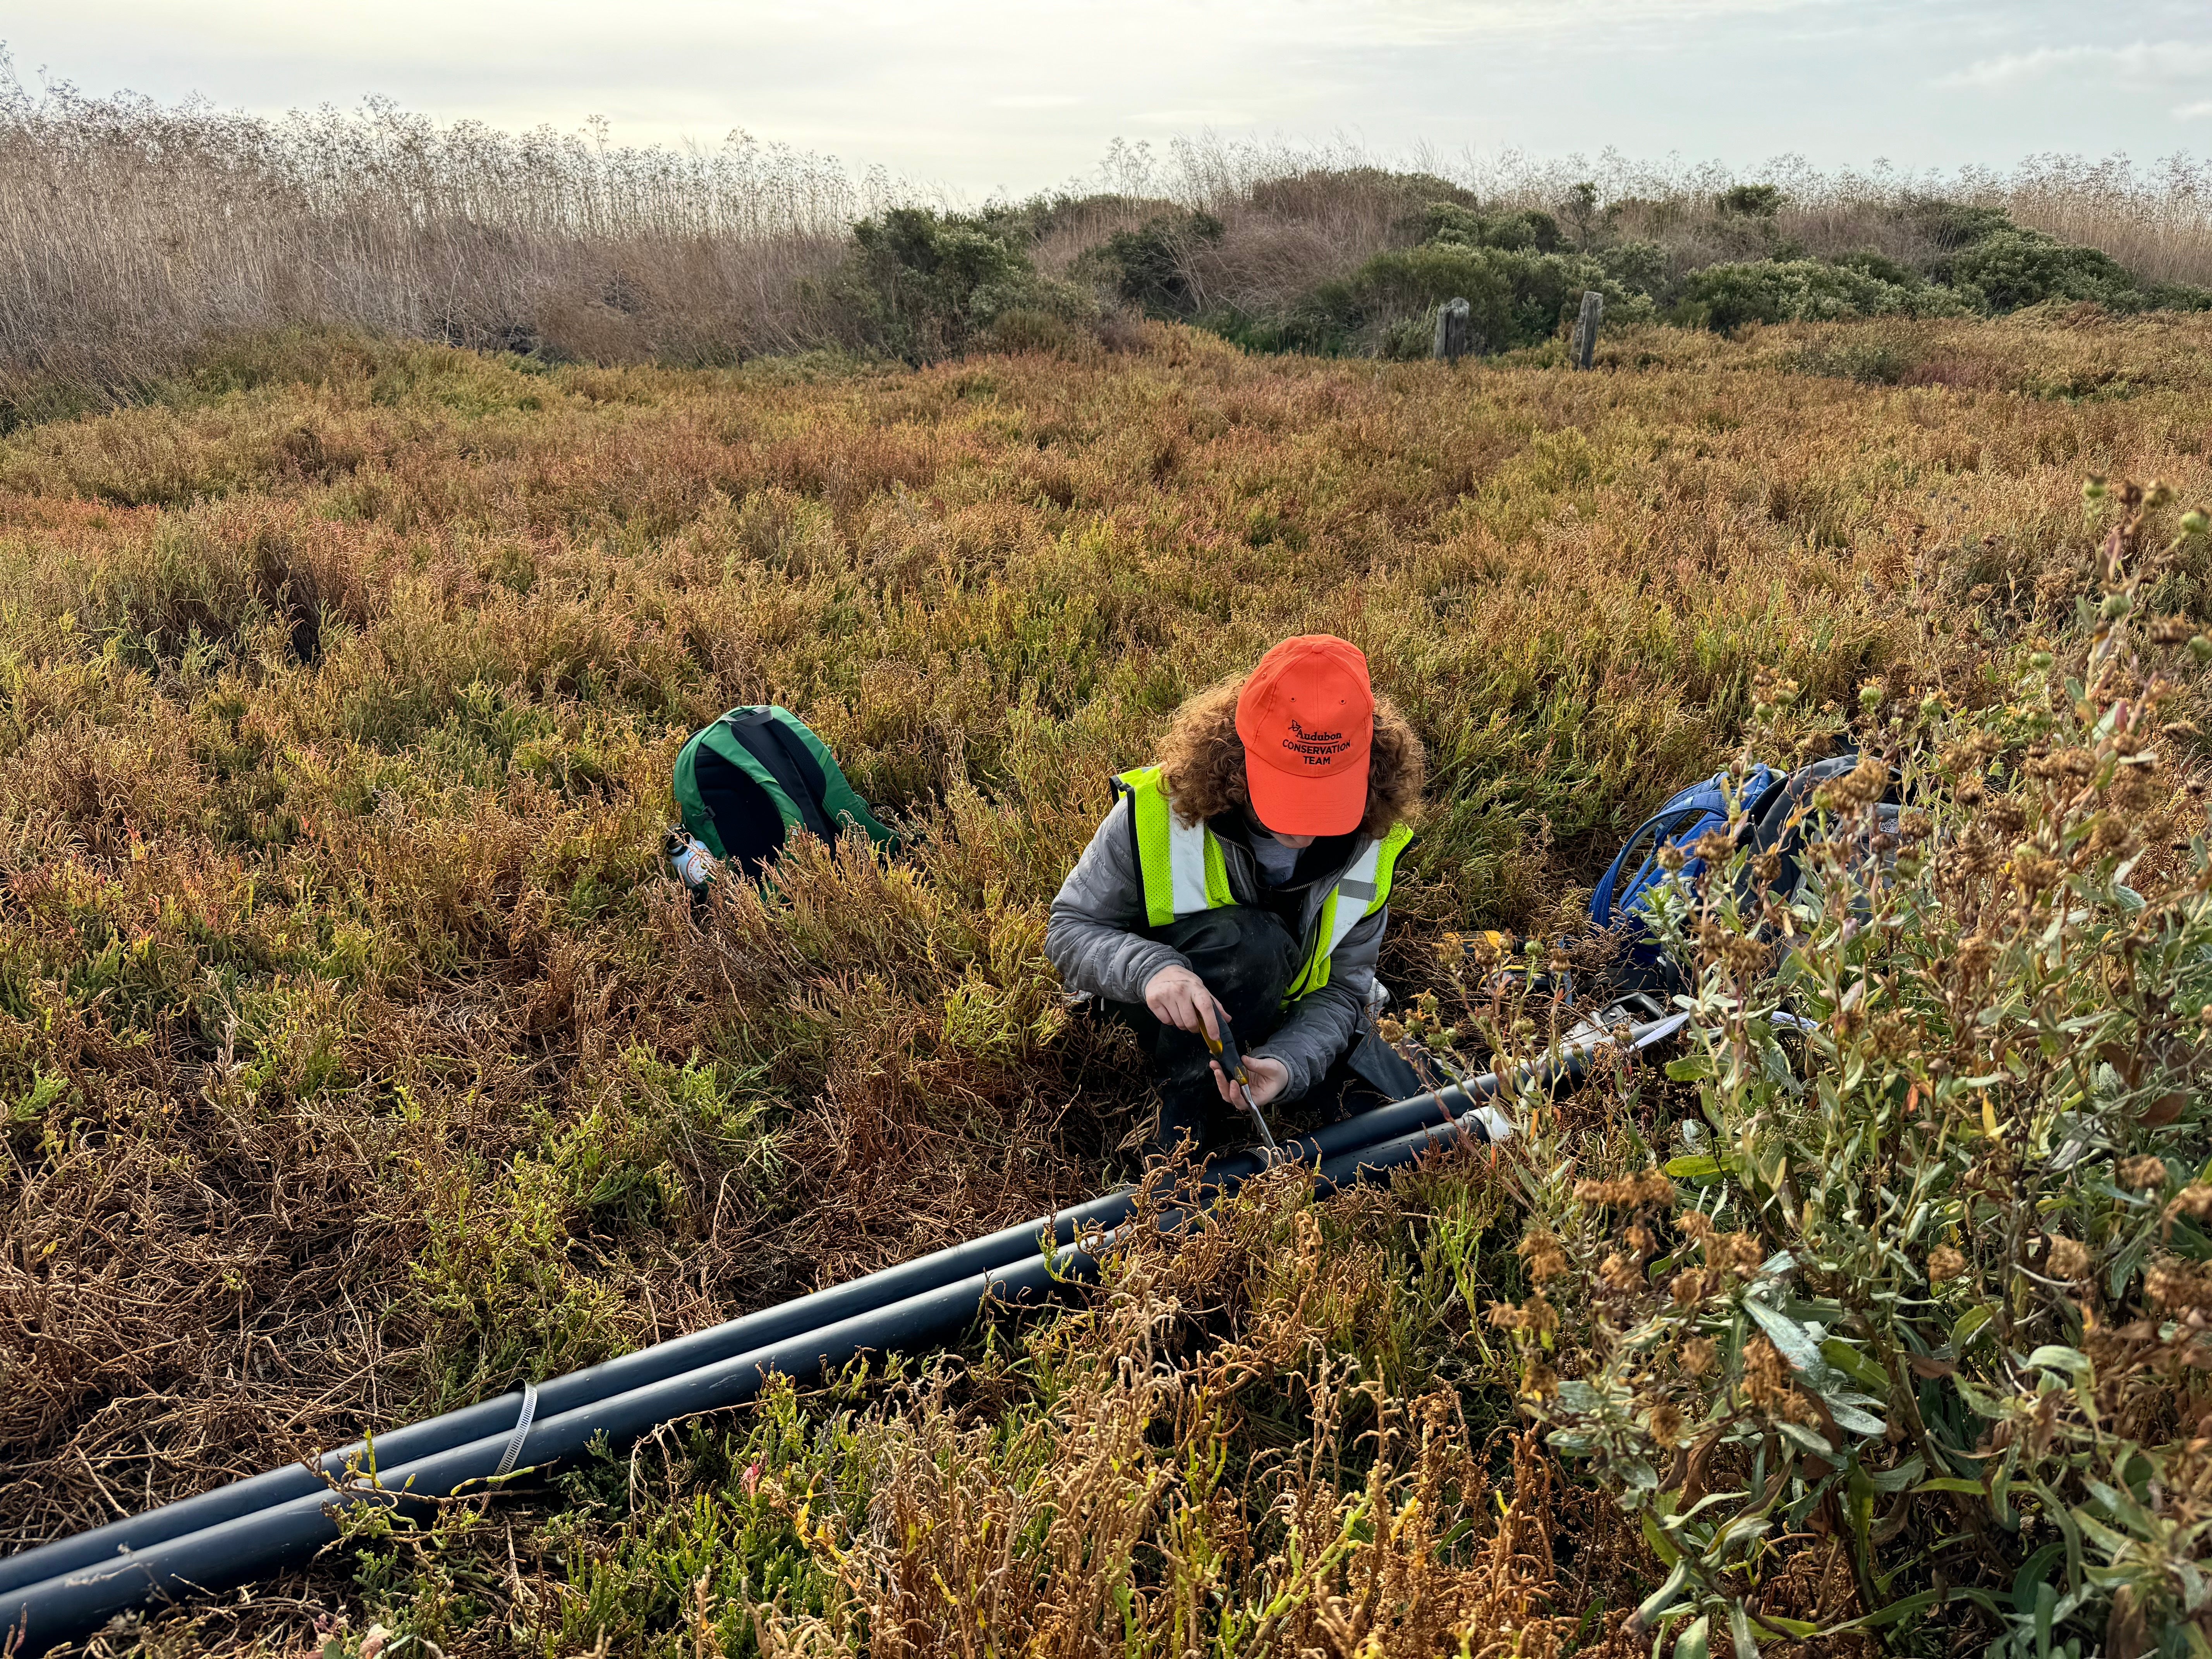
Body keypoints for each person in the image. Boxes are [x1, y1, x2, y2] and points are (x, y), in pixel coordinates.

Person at [1046, 635, 1426, 1155]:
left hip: (1278, 1017)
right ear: (1237, 757)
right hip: (1153, 1009)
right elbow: (1069, 930)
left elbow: (1343, 991)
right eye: (1291, 792)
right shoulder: (1159, 812)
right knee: (1255, 945)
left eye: (1327, 796)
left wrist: (1288, 1064)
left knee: (1378, 1094)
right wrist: (1153, 969)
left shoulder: (1372, 845)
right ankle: (1183, 1121)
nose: (1306, 826)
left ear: (1370, 771)